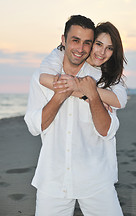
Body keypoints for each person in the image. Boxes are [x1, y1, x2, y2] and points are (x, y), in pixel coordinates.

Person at [24, 15, 124, 216]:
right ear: (63, 40)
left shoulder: (102, 79)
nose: (80, 48)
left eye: (87, 43)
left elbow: (107, 131)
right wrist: (60, 96)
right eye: (75, 40)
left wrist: (93, 95)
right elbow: (34, 126)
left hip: (96, 179)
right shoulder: (43, 76)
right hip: (53, 179)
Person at [39, 21, 127, 110]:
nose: (102, 52)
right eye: (99, 44)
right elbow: (44, 79)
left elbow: (120, 101)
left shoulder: (109, 72)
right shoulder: (65, 53)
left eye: (109, 48)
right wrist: (88, 96)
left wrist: (82, 89)